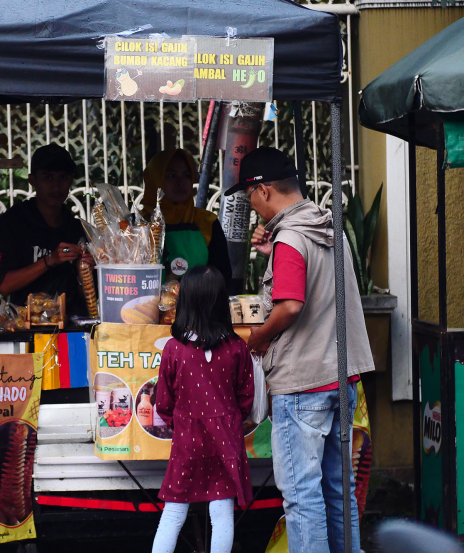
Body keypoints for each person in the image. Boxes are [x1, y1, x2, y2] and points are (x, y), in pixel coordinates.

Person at [226, 147, 375, 553]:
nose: (252, 207)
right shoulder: (328, 229)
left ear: (265, 190)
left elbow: (290, 305)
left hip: (304, 384)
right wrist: (272, 252)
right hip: (339, 378)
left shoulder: (291, 238)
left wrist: (258, 338)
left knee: (302, 495)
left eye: (250, 197)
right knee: (338, 489)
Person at [152, 265, 254, 553]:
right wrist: (229, 420)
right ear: (222, 302)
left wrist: (183, 423)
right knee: (222, 513)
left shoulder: (174, 349)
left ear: (185, 302)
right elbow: (246, 397)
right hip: (227, 439)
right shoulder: (237, 348)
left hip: (187, 440)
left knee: (173, 513)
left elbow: (162, 402)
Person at [0, 144, 93, 316]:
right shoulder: (12, 223)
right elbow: (4, 286)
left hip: (71, 326)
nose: (56, 186)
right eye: (48, 178)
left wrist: (85, 272)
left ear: (70, 181)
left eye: (63, 178)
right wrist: (50, 260)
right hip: (26, 325)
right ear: (33, 181)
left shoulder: (76, 229)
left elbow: (88, 295)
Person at [141, 149, 231, 286]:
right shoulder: (137, 226)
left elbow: (222, 278)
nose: (180, 182)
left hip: (198, 305)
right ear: (154, 179)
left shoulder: (207, 222)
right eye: (171, 175)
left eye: (186, 175)